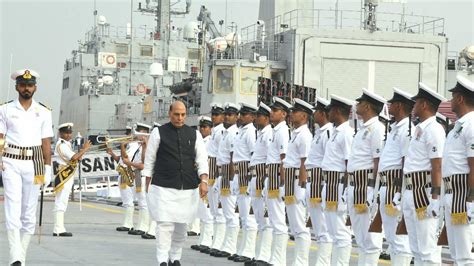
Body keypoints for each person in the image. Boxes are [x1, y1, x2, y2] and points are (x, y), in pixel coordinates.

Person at [144, 101, 209, 266]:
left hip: (187, 187)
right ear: (170, 114)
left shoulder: (194, 134)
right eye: (176, 114)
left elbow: (202, 159)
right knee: (164, 225)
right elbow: (150, 159)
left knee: (181, 227)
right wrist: (147, 182)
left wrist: (204, 181)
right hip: (163, 186)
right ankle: (162, 260)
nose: (180, 118)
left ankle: (175, 258)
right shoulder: (158, 133)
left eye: (182, 115)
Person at [0, 69, 54, 266]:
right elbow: (0, 138)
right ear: (17, 87)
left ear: (35, 88)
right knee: (12, 208)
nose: (26, 88)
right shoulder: (5, 109)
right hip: (11, 160)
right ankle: (15, 255)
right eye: (23, 85)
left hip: (35, 163)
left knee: (29, 211)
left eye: (30, 85)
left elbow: (46, 142)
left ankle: (21, 255)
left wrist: (48, 168)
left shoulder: (44, 111)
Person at [399, 82, 446, 265]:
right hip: (412, 189)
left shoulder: (434, 130)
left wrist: (435, 197)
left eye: (416, 102)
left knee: (427, 250)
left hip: (424, 191)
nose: (414, 106)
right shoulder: (420, 129)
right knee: (416, 248)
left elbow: (437, 166)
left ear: (424, 105)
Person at [347, 89, 386, 265]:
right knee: (361, 236)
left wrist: (374, 190)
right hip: (356, 184)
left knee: (370, 237)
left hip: (367, 184)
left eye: (360, 103)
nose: (356, 106)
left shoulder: (377, 128)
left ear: (368, 106)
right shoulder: (363, 128)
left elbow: (378, 162)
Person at [377, 88, 414, 265]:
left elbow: (405, 163)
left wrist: (399, 191)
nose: (389, 106)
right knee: (392, 237)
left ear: (399, 106)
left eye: (392, 103)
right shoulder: (395, 128)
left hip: (395, 185)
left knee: (399, 239)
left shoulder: (407, 129)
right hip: (386, 184)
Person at [442, 75, 474, 265]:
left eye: (453, 96)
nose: (450, 100)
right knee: (455, 253)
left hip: (463, 193)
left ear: (460, 99)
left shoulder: (471, 125)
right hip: (452, 192)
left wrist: (471, 200)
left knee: (464, 254)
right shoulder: (458, 126)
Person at [320, 94, 355, 265]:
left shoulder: (347, 133)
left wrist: (346, 191)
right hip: (330, 182)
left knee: (341, 232)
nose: (328, 113)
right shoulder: (336, 131)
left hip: (339, 184)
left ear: (338, 111)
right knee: (333, 231)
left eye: (331, 110)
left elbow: (349, 163)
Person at [283, 98, 313, 265]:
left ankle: (301, 262)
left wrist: (302, 186)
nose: (291, 114)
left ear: (303, 115)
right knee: (294, 226)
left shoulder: (305, 135)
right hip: (290, 179)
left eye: (294, 112)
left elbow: (304, 161)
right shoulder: (295, 134)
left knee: (300, 226)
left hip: (297, 181)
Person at [304, 97, 333, 265]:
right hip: (312, 180)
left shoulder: (328, 132)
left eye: (316, 111)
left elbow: (328, 161)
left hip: (320, 181)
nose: (313, 114)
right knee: (318, 228)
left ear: (323, 113)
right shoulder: (319, 132)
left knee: (324, 229)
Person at [211, 102, 240, 258]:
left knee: (230, 214)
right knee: (222, 212)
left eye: (230, 115)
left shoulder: (234, 133)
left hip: (228, 176)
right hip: (221, 174)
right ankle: (224, 244)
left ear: (236, 117)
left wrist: (229, 179)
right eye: (226, 114)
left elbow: (231, 157)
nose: (227, 117)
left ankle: (230, 247)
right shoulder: (224, 133)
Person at [266, 97, 292, 266]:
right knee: (274, 220)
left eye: (275, 111)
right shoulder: (275, 130)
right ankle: (274, 258)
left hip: (277, 175)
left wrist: (282, 184)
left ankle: (279, 260)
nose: (271, 113)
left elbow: (284, 159)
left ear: (283, 114)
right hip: (272, 174)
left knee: (278, 221)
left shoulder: (282, 131)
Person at [52, 122, 91, 237]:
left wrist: (81, 152)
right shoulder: (62, 145)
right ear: (60, 133)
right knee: (61, 202)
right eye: (66, 133)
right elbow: (74, 157)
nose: (69, 135)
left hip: (66, 175)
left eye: (70, 132)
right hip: (63, 176)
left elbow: (76, 158)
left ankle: (59, 228)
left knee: (62, 202)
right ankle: (58, 229)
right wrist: (84, 149)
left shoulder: (66, 144)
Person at [232, 103, 258, 263]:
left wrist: (250, 179)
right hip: (239, 172)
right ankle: (243, 249)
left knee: (249, 216)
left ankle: (248, 251)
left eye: (245, 114)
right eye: (241, 113)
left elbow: (253, 156)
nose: (241, 116)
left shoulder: (250, 133)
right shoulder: (241, 131)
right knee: (242, 215)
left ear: (252, 116)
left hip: (246, 174)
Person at [247, 102, 273, 266]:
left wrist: (264, 182)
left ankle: (265, 256)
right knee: (259, 219)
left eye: (259, 116)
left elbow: (271, 158)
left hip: (264, 177)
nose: (256, 119)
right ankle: (259, 255)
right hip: (256, 177)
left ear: (266, 118)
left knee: (266, 221)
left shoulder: (269, 133)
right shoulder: (261, 133)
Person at [202, 103, 227, 255]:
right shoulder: (215, 132)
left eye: (216, 115)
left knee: (219, 211)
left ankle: (219, 243)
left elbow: (220, 157)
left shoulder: (221, 132)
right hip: (210, 171)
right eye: (213, 114)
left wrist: (218, 177)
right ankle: (212, 242)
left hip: (216, 172)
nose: (214, 117)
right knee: (212, 210)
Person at [107, 125, 141, 232]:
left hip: (127, 174)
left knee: (128, 200)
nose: (126, 135)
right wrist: (111, 152)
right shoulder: (130, 145)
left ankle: (128, 224)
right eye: (126, 133)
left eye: (128, 133)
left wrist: (122, 146)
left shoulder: (134, 145)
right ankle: (127, 223)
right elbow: (121, 160)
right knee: (126, 200)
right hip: (123, 172)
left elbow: (126, 158)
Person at [122, 122, 151, 236]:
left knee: (144, 203)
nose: (137, 134)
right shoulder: (140, 145)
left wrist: (129, 163)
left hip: (143, 176)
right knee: (140, 202)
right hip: (138, 175)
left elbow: (144, 164)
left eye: (140, 132)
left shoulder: (147, 146)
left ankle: (144, 227)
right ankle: (140, 226)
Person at [190, 116, 215, 251]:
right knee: (201, 211)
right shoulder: (200, 141)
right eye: (201, 127)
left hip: (207, 179)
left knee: (207, 212)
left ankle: (207, 241)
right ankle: (202, 240)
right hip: (199, 178)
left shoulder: (210, 142)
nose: (203, 129)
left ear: (210, 128)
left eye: (205, 127)